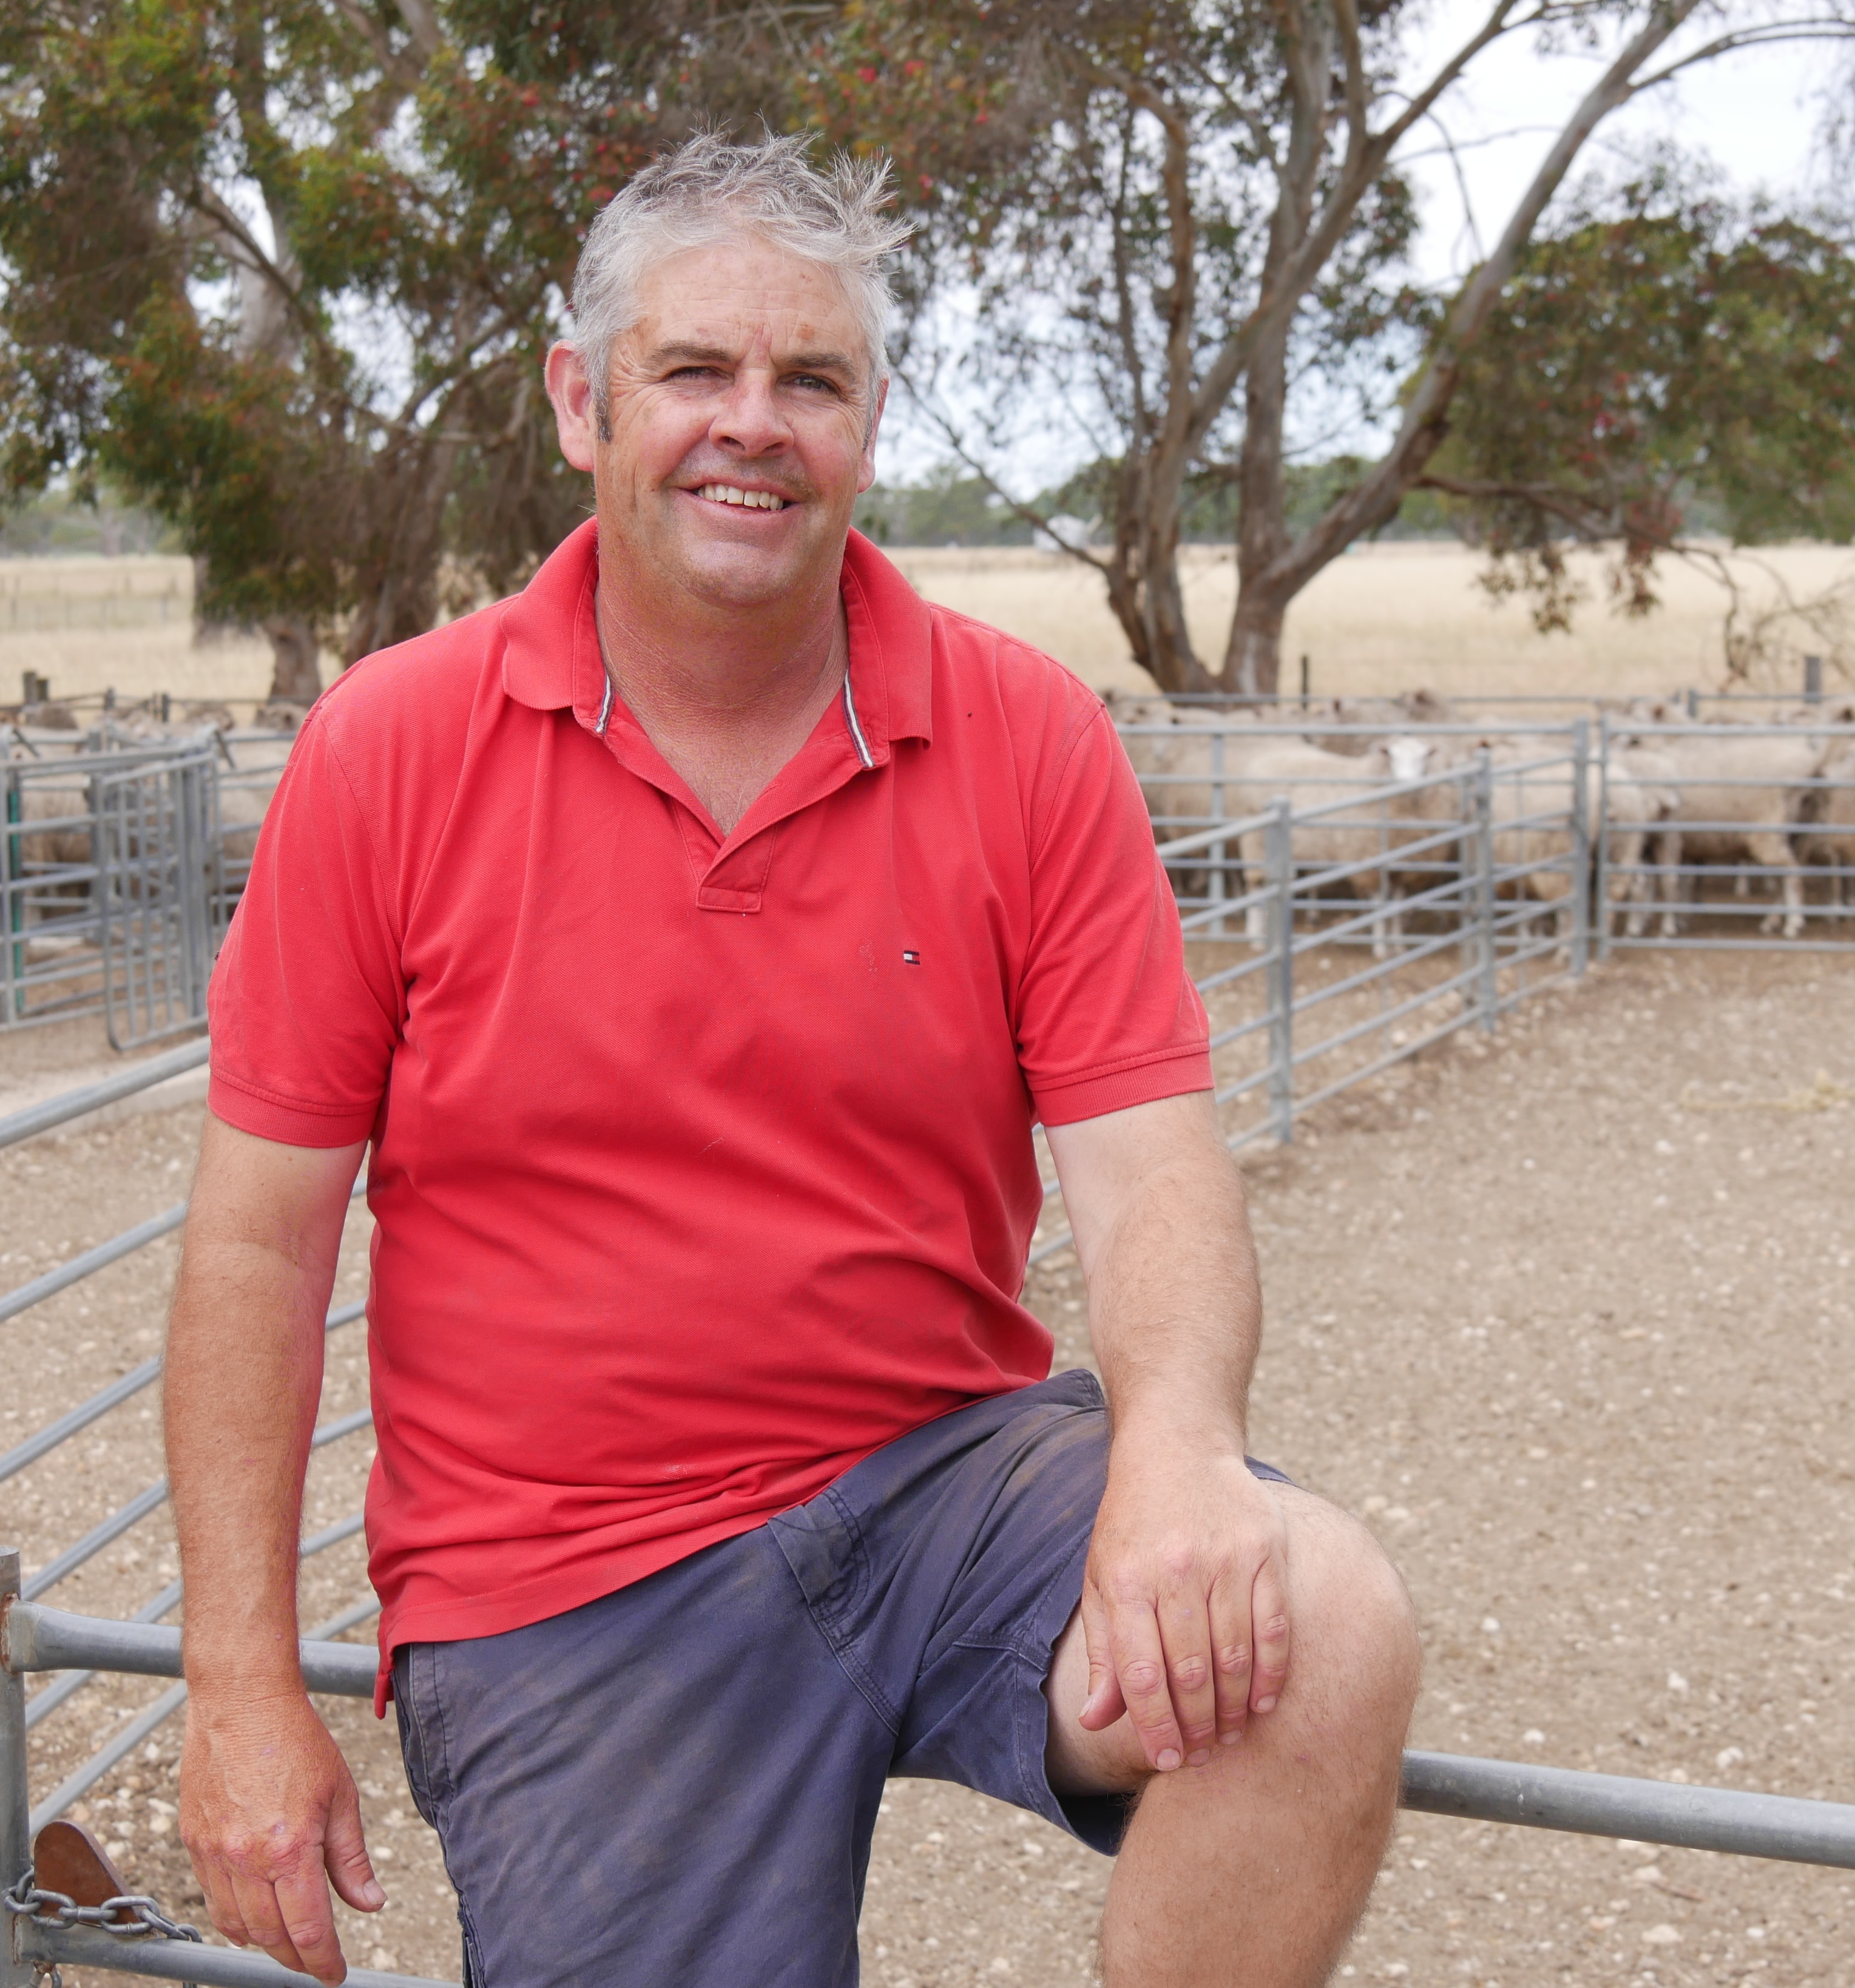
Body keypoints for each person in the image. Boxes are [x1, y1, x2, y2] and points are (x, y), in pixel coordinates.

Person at [163, 132, 1419, 1988]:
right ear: (581, 401)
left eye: (810, 381)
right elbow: (258, 1243)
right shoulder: (394, 748)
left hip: (939, 1481)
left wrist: (1175, 1450)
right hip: (568, 1578)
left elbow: (1152, 1167)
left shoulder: (1025, 735)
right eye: (696, 371)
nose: (753, 424)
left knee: (1313, 1624)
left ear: (870, 419)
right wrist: (241, 1686)